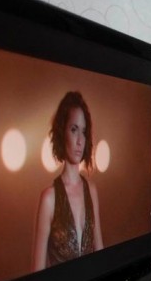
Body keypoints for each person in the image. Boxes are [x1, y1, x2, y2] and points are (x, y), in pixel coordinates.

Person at [32, 91, 104, 270]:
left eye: (84, 131)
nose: (80, 140)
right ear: (61, 132)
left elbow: (100, 252)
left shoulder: (91, 190)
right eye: (73, 129)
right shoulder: (49, 198)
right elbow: (37, 273)